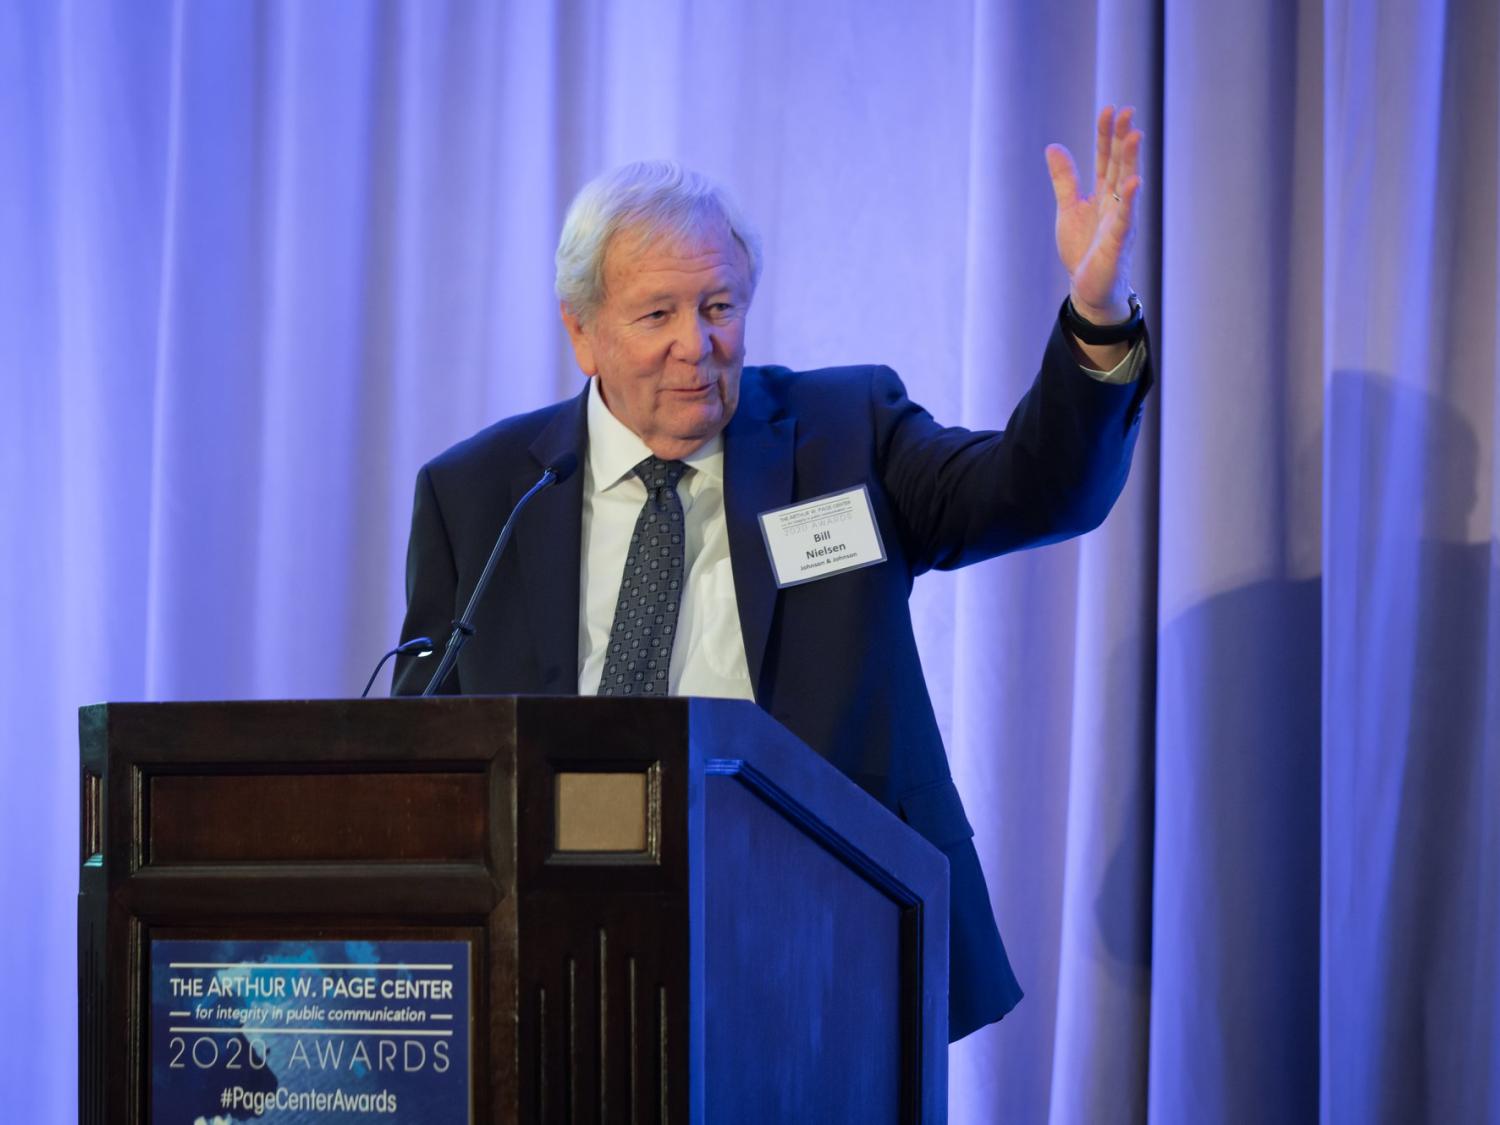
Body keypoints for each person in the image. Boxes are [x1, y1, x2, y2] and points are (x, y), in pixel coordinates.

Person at [395, 107, 1152, 1040]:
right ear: (582, 332)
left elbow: (1037, 490)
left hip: (829, 942)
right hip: (558, 965)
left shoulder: (844, 435)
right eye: (657, 314)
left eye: (719, 306)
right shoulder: (478, 494)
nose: (696, 343)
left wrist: (1097, 317)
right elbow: (423, 750)